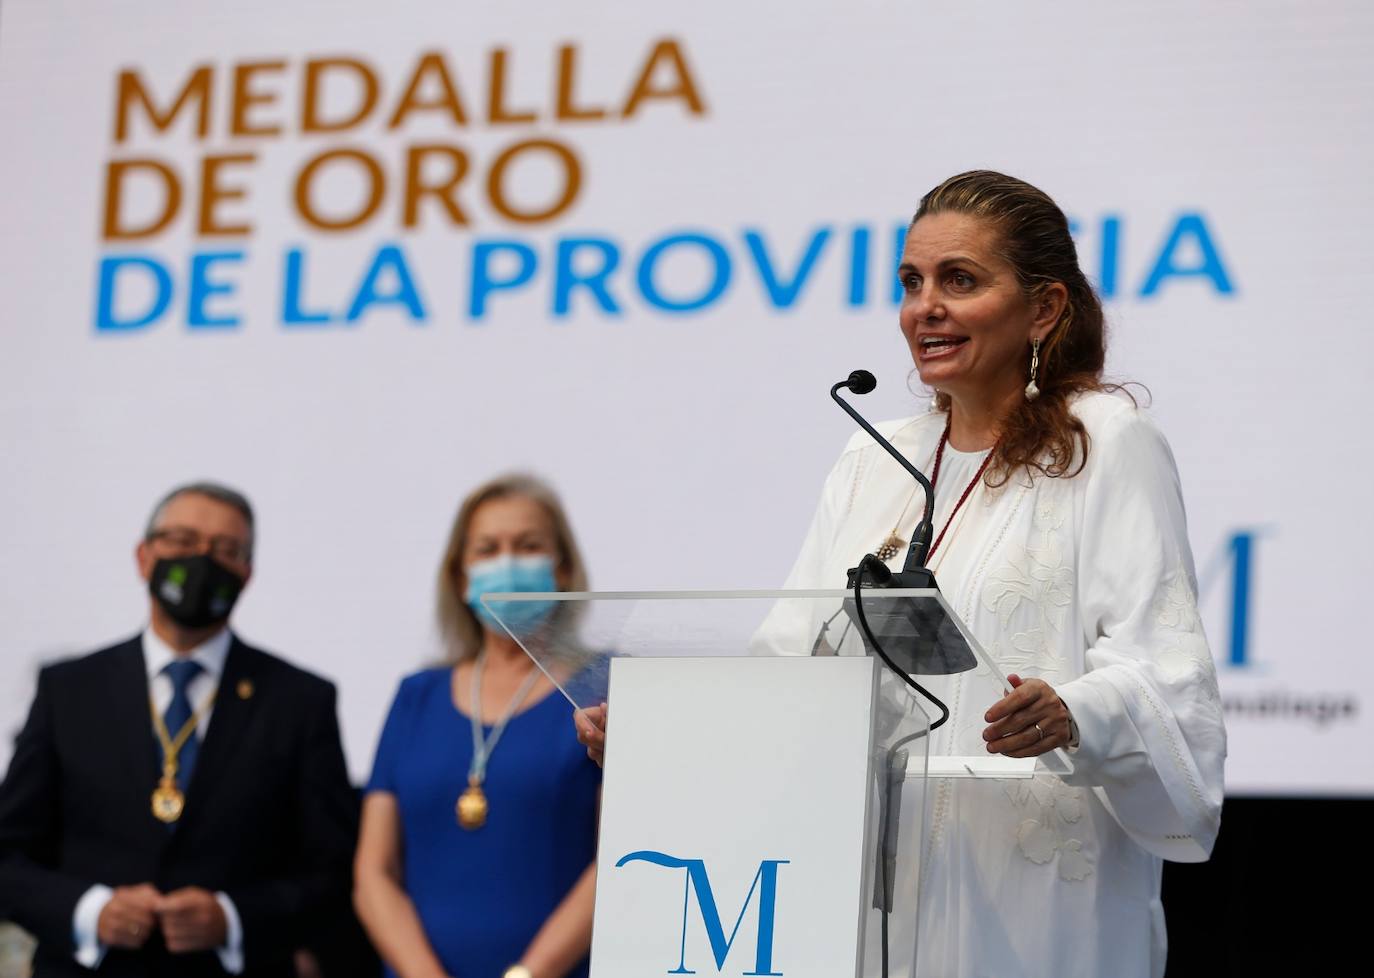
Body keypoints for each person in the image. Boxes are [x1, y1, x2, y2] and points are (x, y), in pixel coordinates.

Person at [577, 171, 1227, 978]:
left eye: (960, 280)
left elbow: (1163, 669)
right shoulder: (874, 458)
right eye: (911, 283)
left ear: (1045, 308)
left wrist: (1072, 713)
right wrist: (664, 734)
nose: (925, 307)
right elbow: (790, 662)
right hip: (867, 890)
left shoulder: (1106, 442)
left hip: (1029, 903)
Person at [0, 482, 360, 978]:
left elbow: (334, 872)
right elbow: (9, 856)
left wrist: (232, 918)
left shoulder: (300, 700)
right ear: (144, 557)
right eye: (183, 541)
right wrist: (90, 910)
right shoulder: (69, 690)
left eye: (226, 550)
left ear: (247, 574)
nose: (202, 560)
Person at [355, 474, 600, 978]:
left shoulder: (603, 689)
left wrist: (529, 974)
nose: (507, 564)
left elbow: (620, 857)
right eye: (488, 549)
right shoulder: (416, 696)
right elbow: (374, 872)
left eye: (528, 546)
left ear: (564, 568)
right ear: (461, 577)